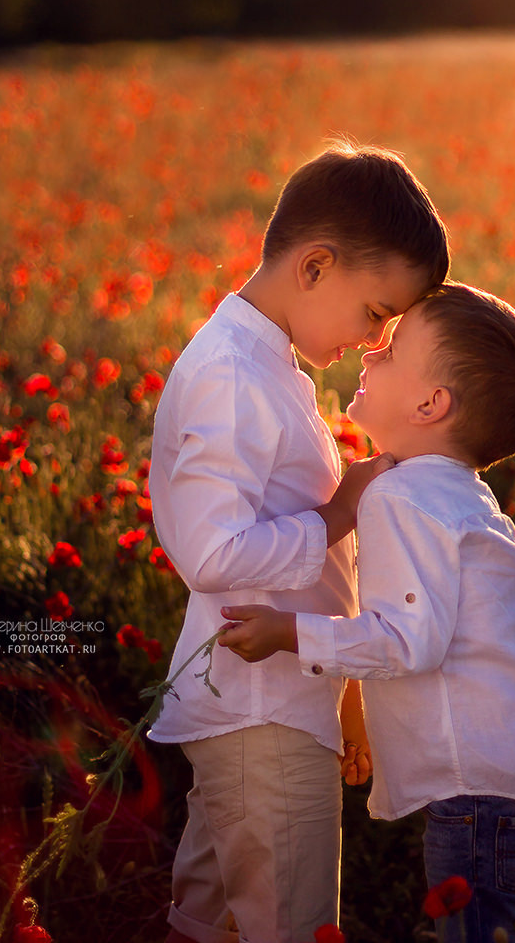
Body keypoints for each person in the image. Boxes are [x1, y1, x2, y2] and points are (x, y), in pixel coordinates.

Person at [147, 143, 450, 943]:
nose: (374, 341)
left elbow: (305, 573)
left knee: (209, 917)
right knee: (293, 926)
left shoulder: (266, 363)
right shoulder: (233, 375)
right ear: (315, 266)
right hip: (261, 712)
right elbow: (212, 552)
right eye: (377, 314)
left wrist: (345, 697)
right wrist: (338, 512)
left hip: (270, 704)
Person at [219, 283, 515, 943]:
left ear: (429, 403)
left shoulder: (405, 499)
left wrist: (286, 632)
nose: (366, 356)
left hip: (482, 800)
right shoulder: (460, 499)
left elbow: (407, 641)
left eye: (389, 353)